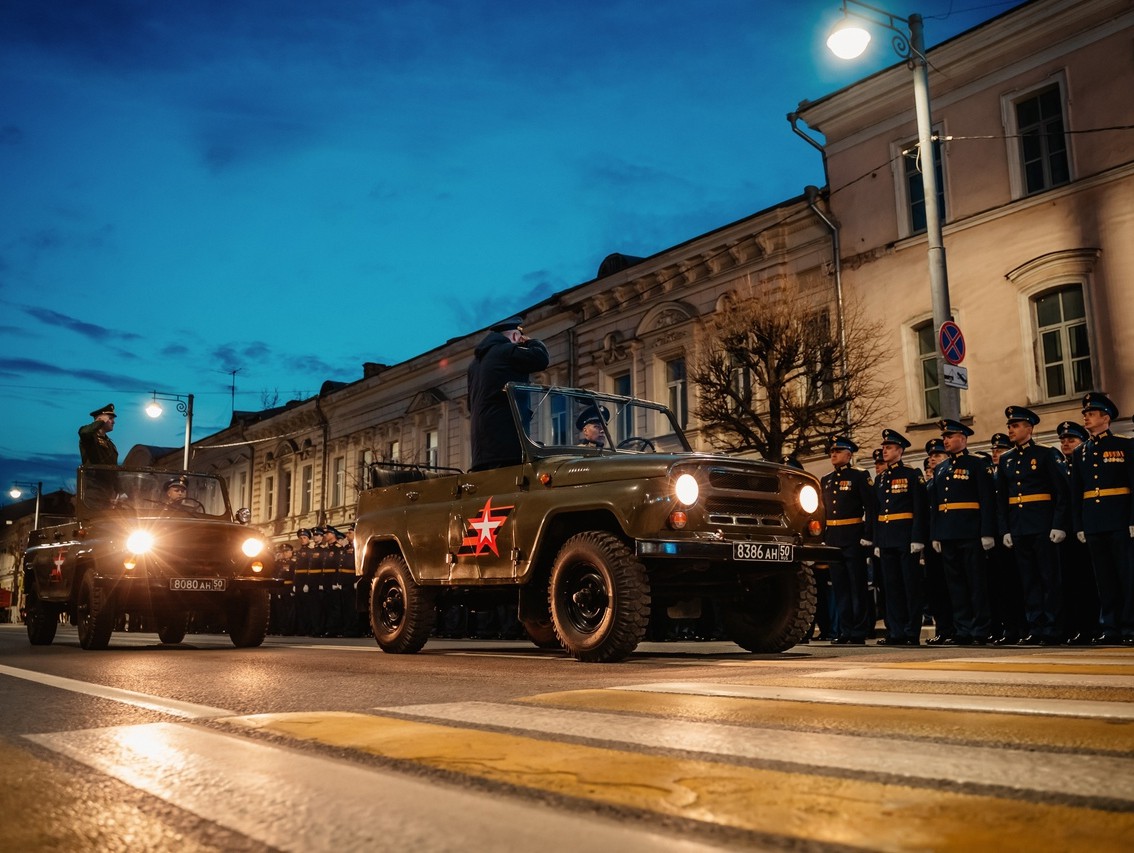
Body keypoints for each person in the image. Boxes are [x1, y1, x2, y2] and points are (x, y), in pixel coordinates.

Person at [996, 406, 1071, 645]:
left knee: (1049, 579)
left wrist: (1058, 524)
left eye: (1015, 426)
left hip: (1043, 526)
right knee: (1028, 582)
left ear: (1029, 428)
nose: (1011, 430)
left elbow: (1061, 492)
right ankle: (1035, 627)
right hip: (1019, 527)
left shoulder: (1046, 454)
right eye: (1009, 426)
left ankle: (1053, 628)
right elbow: (1002, 499)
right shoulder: (1006, 460)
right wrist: (1005, 529)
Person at [1071, 392, 1134, 645]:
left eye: (1091, 413)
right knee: (1104, 578)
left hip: (1120, 519)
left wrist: (1132, 519)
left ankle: (1129, 626)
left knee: (1126, 575)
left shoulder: (1125, 445)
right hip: (1094, 522)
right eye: (1085, 414)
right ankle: (1110, 627)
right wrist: (1079, 525)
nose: (1086, 417)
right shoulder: (1081, 452)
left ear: (1105, 417)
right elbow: (1076, 492)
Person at [929, 419, 996, 645]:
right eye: (944, 437)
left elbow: (986, 499)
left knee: (976, 584)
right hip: (948, 533)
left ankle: (980, 629)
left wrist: (987, 532)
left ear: (963, 439)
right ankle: (963, 628)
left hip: (970, 532)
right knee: (955, 586)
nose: (945, 441)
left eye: (950, 437)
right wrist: (936, 534)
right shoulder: (941, 468)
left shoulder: (976, 464)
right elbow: (937, 505)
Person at [467, 315, 550, 471]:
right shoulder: (506, 351)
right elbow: (541, 358)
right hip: (507, 448)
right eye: (519, 337)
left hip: (481, 453)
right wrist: (531, 342)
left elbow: (470, 405)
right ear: (514, 335)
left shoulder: (474, 365)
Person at [873, 429, 928, 646]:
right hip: (887, 539)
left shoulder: (912, 474)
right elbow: (878, 512)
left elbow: (919, 509)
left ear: (900, 450)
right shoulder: (882, 478)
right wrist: (877, 542)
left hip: (906, 538)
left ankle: (911, 631)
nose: (884, 451)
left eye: (889, 448)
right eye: (884, 447)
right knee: (891, 587)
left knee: (910, 586)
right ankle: (895, 631)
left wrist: (917, 537)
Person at [820, 436, 876, 645]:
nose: (833, 454)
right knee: (840, 587)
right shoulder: (826, 479)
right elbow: (823, 511)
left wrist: (867, 535)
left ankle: (859, 631)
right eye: (831, 451)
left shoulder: (859, 476)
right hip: (834, 538)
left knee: (856, 586)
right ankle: (845, 630)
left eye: (837, 451)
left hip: (853, 537)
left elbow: (870, 508)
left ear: (848, 455)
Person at [1057, 420, 1098, 644]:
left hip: (1086, 527)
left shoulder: (1087, 464)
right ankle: (1074, 627)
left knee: (1088, 581)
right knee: (1070, 582)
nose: (1065, 444)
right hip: (1066, 532)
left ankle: (1091, 626)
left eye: (1071, 440)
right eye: (1063, 440)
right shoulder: (1060, 465)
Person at [923, 438, 954, 645]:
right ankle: (942, 629)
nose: (933, 459)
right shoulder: (929, 483)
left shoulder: (947, 479)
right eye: (931, 456)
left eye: (938, 455)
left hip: (948, 537)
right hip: (931, 540)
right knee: (936, 589)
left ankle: (955, 628)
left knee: (951, 586)